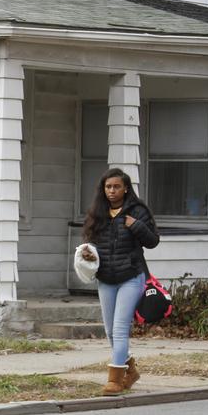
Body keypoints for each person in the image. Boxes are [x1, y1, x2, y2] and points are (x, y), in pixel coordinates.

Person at [80, 168, 160, 396]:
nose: (112, 191)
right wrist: (88, 252)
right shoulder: (98, 212)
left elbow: (153, 241)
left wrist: (135, 225)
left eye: (116, 186)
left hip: (131, 276)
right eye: (108, 187)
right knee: (109, 330)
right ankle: (130, 370)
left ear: (125, 188)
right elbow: (89, 241)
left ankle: (114, 380)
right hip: (106, 277)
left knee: (120, 327)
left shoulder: (137, 211)